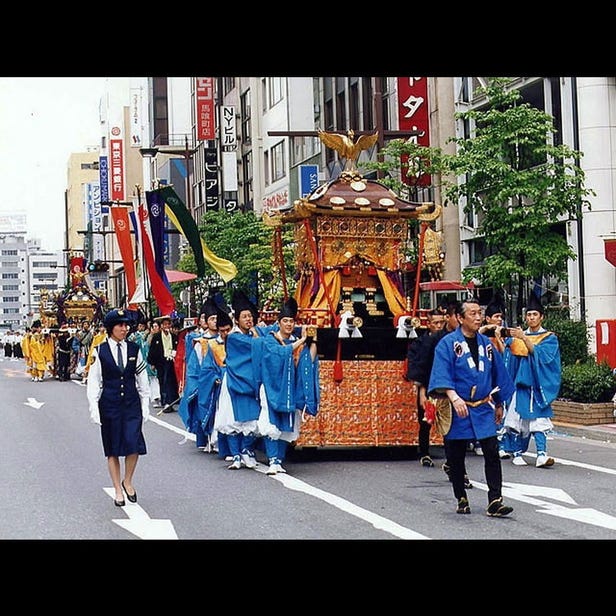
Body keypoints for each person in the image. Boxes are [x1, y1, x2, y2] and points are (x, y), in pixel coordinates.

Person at [428, 298, 516, 517]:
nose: (478, 318)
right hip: (459, 407)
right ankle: (461, 497)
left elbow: (498, 375)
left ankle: (495, 499)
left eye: (479, 313)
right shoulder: (448, 344)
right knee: (456, 456)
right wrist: (453, 396)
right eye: (473, 314)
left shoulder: (487, 344)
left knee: (492, 452)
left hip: (483, 406)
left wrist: (499, 403)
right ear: (460, 318)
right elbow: (441, 373)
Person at [86, 309, 150, 507]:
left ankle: (127, 480)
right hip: (110, 404)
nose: (124, 329)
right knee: (112, 449)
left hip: (131, 404)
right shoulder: (100, 350)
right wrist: (94, 408)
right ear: (110, 328)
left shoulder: (134, 349)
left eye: (126, 325)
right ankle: (117, 489)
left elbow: (142, 378)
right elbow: (94, 382)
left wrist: (145, 403)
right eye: (120, 325)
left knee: (134, 444)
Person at [257, 297, 320, 475]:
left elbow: (308, 359)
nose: (289, 324)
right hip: (272, 387)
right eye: (285, 321)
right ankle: (271, 460)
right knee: (271, 422)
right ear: (278, 323)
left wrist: (312, 340)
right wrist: (302, 340)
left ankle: (279, 460)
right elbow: (280, 353)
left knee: (287, 424)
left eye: (292, 321)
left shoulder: (296, 340)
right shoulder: (270, 340)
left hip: (290, 388)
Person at [502, 293, 561, 468]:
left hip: (538, 385)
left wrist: (523, 338)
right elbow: (509, 359)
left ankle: (542, 455)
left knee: (539, 420)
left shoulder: (549, 338)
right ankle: (517, 453)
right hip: (520, 384)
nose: (531, 317)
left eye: (535, 314)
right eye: (529, 314)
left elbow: (541, 356)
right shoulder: (518, 337)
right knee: (516, 419)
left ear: (541, 317)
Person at [214, 290, 270, 470]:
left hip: (249, 383)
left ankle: (245, 450)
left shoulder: (253, 334)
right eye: (244, 317)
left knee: (252, 420)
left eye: (250, 316)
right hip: (234, 383)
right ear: (236, 320)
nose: (249, 319)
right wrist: (265, 339)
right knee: (232, 420)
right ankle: (236, 455)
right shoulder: (235, 337)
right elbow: (259, 345)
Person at [406, 309, 446, 467]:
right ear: (428, 324)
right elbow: (419, 368)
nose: (439, 326)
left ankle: (451, 457)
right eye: (435, 323)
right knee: (426, 421)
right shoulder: (421, 343)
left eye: (441, 322)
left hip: (445, 389)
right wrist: (422, 392)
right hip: (429, 388)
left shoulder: (447, 340)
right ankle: (424, 453)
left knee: (448, 423)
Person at [479, 299, 513, 459]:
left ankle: (500, 443)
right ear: (488, 318)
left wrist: (499, 338)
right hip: (485, 379)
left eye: (501, 316)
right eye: (496, 316)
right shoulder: (480, 335)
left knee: (501, 411)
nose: (499, 319)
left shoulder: (501, 336)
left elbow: (504, 354)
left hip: (499, 379)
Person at [147, 315, 179, 412]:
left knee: (171, 382)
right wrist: (152, 363)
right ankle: (165, 402)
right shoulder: (156, 337)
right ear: (161, 326)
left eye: (168, 324)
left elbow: (177, 348)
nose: (166, 326)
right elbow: (152, 351)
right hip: (161, 361)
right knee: (163, 381)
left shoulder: (174, 336)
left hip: (171, 361)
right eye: (164, 324)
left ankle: (171, 402)